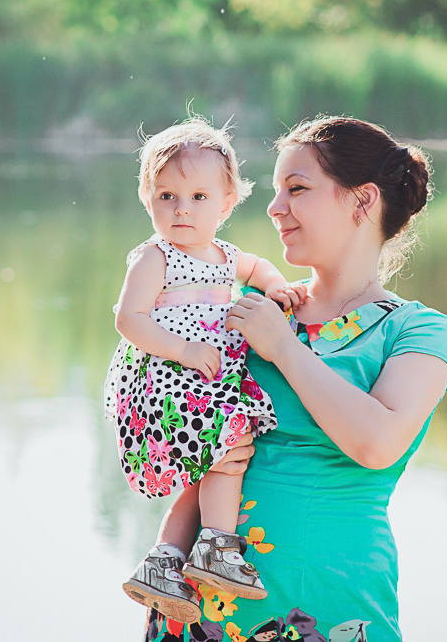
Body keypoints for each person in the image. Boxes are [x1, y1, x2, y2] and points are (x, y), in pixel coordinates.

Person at [143, 116, 447, 642]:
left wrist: (284, 348)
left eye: (298, 189)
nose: (273, 208)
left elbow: (376, 442)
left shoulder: (417, 330)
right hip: (202, 613)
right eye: (274, 191)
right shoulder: (250, 309)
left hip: (328, 603)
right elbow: (174, 432)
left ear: (363, 202)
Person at [106, 117, 306, 624]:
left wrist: (280, 287)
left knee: (217, 463)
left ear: (227, 202)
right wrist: (184, 351)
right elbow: (128, 319)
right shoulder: (156, 256)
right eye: (166, 196)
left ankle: (168, 560)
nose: (181, 209)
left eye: (198, 197)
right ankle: (215, 548)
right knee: (231, 448)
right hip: (167, 377)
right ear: (147, 198)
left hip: (203, 379)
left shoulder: (223, 255)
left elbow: (259, 268)